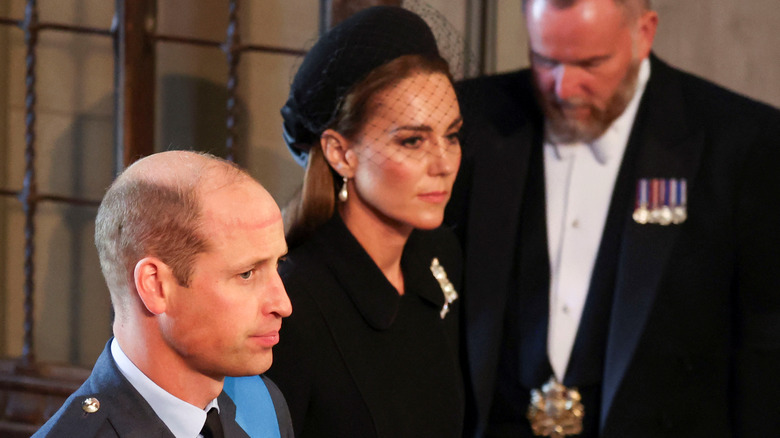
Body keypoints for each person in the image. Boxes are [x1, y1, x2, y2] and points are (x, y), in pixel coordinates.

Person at [446, 0, 780, 436]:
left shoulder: (741, 142)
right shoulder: (467, 121)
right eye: (546, 60)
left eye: (591, 63)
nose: (565, 88)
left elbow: (765, 348)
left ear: (644, 33)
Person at [264, 6, 465, 437]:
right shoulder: (291, 302)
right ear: (341, 153)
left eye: (451, 135)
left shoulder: (439, 257)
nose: (444, 163)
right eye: (412, 141)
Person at [34, 151, 294, 437]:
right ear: (155, 286)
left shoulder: (261, 404)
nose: (282, 304)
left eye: (277, 264)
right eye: (246, 273)